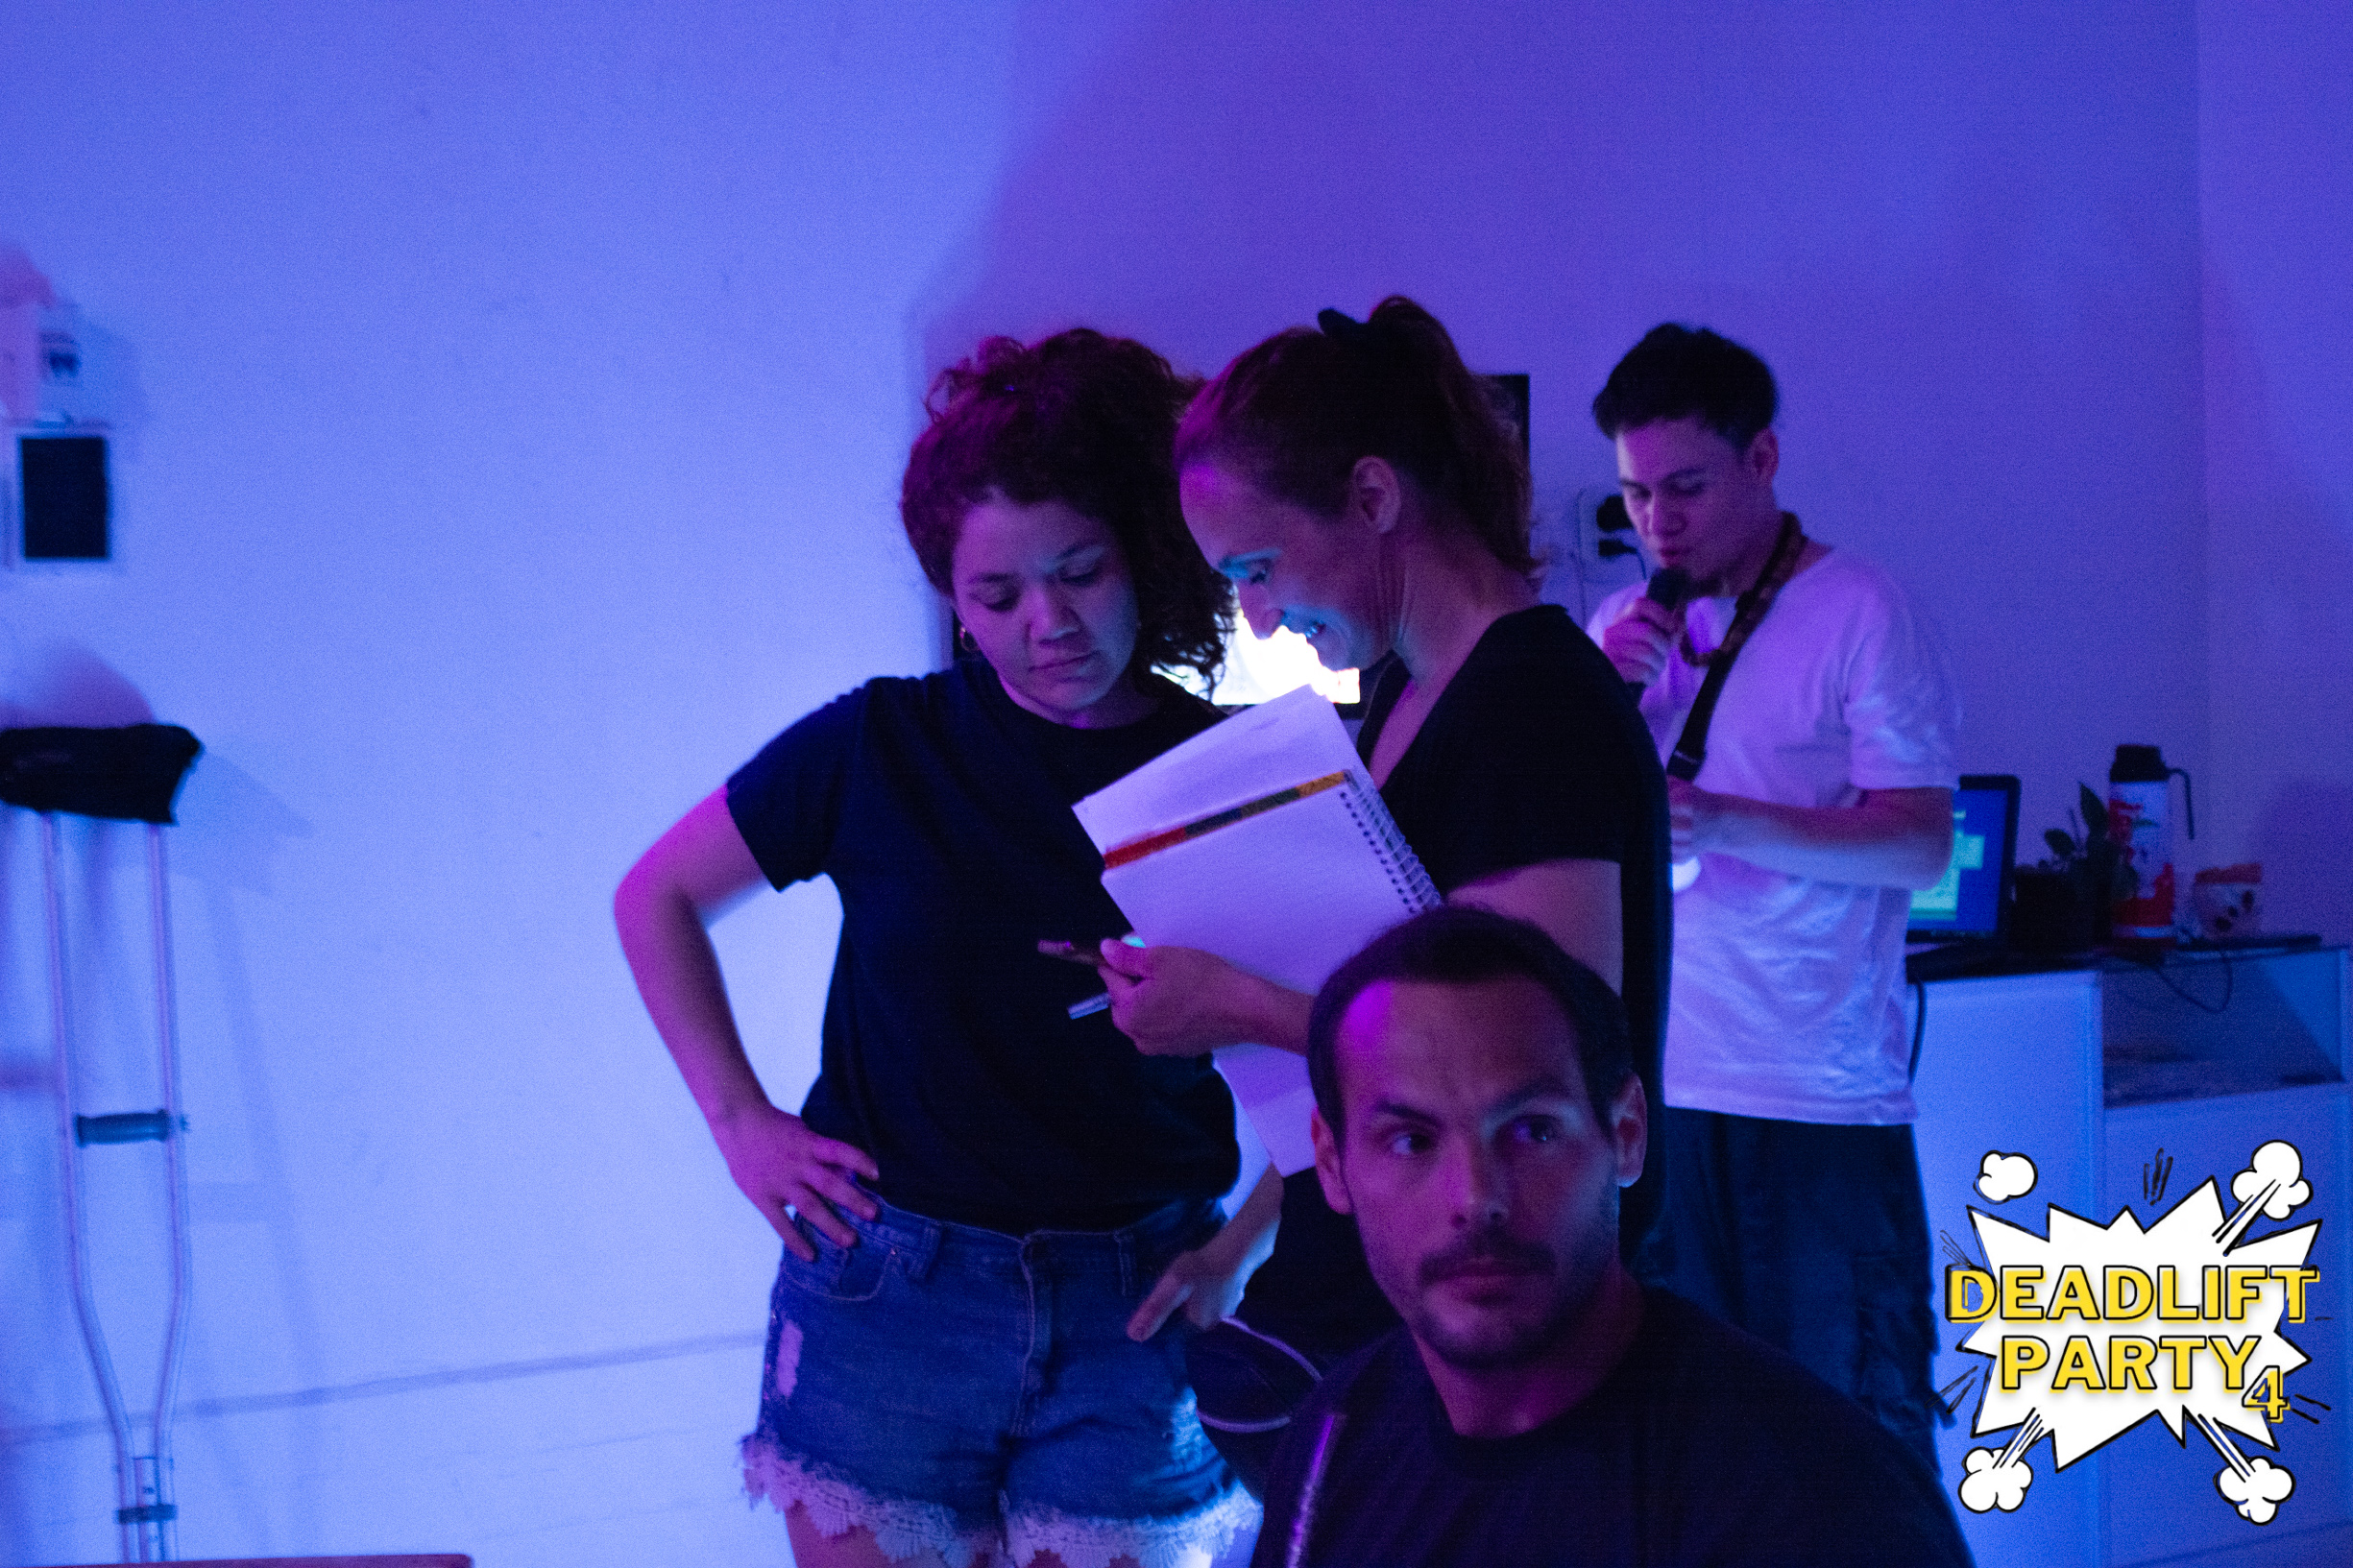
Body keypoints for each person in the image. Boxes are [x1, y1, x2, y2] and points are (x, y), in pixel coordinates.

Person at [613, 329, 1260, 1568]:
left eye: (1079, 572)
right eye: (995, 596)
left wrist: (1247, 1242)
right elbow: (656, 897)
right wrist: (739, 1122)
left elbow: (1350, 1026)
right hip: (887, 1293)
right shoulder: (879, 744)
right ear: (952, 599)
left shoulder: (1226, 771)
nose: (1046, 624)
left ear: (1140, 548)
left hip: (1137, 1299)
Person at [1097, 298, 1671, 1487]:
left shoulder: (1528, 706)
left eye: (1258, 569)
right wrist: (1241, 1240)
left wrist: (1232, 1003)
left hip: (1499, 1321)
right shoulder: (1410, 693)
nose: (1258, 616)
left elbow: (1526, 1059)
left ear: (1370, 496)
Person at [1252, 905, 1972, 1568]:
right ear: (1331, 1163)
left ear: (1626, 1133)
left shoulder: (1816, 1503)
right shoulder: (1335, 1435)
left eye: (1532, 1131)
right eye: (1411, 1141)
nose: (1475, 1198)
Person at [1587, 323, 1960, 1468]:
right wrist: (1600, 701)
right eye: (1634, 495)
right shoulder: (1621, 632)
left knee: (1848, 1450)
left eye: (1685, 487)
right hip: (1661, 1093)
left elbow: (1919, 847)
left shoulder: (1857, 607)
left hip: (1814, 1100)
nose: (1658, 521)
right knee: (1687, 1451)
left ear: (1762, 458)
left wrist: (1722, 821)